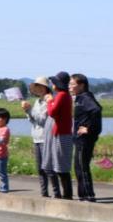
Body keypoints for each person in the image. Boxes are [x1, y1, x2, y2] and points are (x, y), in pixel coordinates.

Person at [70, 73, 103, 201]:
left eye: (73, 84)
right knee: (78, 167)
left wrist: (88, 128)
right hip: (79, 139)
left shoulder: (85, 97)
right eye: (70, 84)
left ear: (82, 85)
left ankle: (88, 196)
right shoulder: (79, 98)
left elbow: (96, 110)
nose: (70, 87)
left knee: (82, 167)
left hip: (84, 139)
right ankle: (83, 195)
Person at [43, 72, 74, 200]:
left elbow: (52, 112)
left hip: (61, 134)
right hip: (61, 133)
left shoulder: (61, 95)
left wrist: (49, 101)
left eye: (54, 82)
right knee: (60, 165)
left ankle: (67, 195)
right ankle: (66, 194)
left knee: (61, 167)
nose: (52, 85)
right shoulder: (65, 95)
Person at [21, 76, 52, 197]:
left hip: (45, 137)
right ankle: (44, 192)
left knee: (48, 168)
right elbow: (33, 120)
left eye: (40, 86)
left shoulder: (48, 102)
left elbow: (42, 120)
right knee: (39, 168)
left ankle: (56, 192)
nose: (38, 89)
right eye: (36, 87)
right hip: (36, 137)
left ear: (46, 88)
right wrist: (27, 111)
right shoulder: (37, 102)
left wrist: (30, 110)